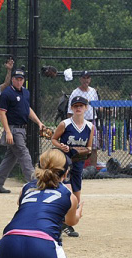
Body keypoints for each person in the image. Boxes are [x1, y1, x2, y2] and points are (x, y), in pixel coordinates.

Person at [0, 69, 45, 194]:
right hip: (13, 129)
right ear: (12, 79)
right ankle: (34, 183)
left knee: (10, 158)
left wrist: (39, 122)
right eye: (16, 79)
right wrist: (8, 132)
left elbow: (27, 109)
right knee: (24, 155)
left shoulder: (26, 93)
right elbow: (2, 113)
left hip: (22, 129)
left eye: (21, 79)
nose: (19, 81)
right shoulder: (7, 93)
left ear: (23, 80)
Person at [51, 96, 94, 238]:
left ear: (86, 108)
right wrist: (61, 146)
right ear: (71, 108)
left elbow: (89, 147)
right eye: (75, 105)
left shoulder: (90, 127)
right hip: (65, 162)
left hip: (78, 163)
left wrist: (85, 150)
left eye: (81, 105)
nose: (78, 108)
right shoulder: (65, 124)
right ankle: (58, 222)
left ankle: (66, 224)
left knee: (76, 195)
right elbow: (53, 139)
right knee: (66, 193)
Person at [67, 71, 100, 167]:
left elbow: (97, 107)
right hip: (80, 123)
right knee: (79, 148)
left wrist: (108, 109)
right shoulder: (75, 92)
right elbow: (69, 112)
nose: (86, 80)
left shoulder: (93, 91)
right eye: (84, 78)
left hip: (92, 122)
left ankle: (92, 170)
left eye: (88, 78)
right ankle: (77, 169)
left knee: (93, 148)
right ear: (80, 79)